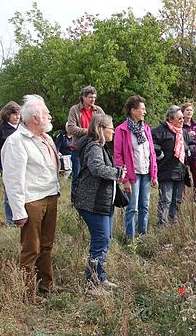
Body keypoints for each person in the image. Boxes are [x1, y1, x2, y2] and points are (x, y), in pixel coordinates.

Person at [1, 95, 60, 303]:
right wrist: (18, 211)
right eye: (45, 113)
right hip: (32, 201)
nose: (49, 116)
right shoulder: (16, 142)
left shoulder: (46, 137)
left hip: (50, 195)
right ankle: (28, 294)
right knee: (31, 249)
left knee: (46, 245)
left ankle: (46, 284)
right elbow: (12, 179)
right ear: (35, 118)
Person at [73, 114, 126, 294]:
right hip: (92, 203)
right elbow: (97, 168)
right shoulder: (94, 147)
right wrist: (117, 172)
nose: (113, 131)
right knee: (100, 240)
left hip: (100, 202)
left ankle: (99, 278)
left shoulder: (99, 147)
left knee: (103, 240)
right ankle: (93, 284)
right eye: (111, 127)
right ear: (101, 129)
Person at [114, 95, 158, 241]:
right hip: (133, 175)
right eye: (142, 109)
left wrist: (154, 174)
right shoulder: (121, 130)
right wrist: (125, 179)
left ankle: (142, 237)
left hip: (146, 173)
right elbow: (119, 156)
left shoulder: (146, 128)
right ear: (133, 110)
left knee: (145, 206)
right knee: (132, 208)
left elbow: (151, 152)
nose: (145, 112)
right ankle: (130, 239)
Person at [152, 105, 194, 225]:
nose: (182, 121)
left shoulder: (183, 132)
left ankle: (173, 223)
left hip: (180, 171)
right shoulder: (160, 130)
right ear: (171, 120)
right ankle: (162, 225)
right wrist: (160, 154)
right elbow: (152, 144)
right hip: (166, 170)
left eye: (182, 118)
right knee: (166, 199)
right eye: (179, 118)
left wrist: (189, 151)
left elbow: (192, 144)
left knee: (177, 200)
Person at [66, 86, 105, 196]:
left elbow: (105, 125)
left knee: (93, 177)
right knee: (77, 177)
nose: (93, 100)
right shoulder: (74, 110)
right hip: (79, 149)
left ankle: (88, 201)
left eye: (94, 97)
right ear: (83, 97)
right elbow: (71, 128)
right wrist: (89, 131)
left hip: (95, 148)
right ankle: (74, 201)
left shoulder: (98, 110)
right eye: (90, 97)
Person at [0, 101, 21, 226]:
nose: (17, 117)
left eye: (19, 114)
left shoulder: (23, 127)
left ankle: (22, 218)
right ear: (7, 115)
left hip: (24, 165)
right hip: (8, 166)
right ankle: (11, 221)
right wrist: (7, 162)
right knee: (10, 194)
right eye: (14, 114)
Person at [181, 102, 196, 202]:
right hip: (184, 155)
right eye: (187, 110)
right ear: (182, 112)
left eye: (191, 110)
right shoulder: (180, 125)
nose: (189, 112)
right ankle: (181, 198)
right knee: (182, 176)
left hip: (195, 155)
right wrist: (186, 134)